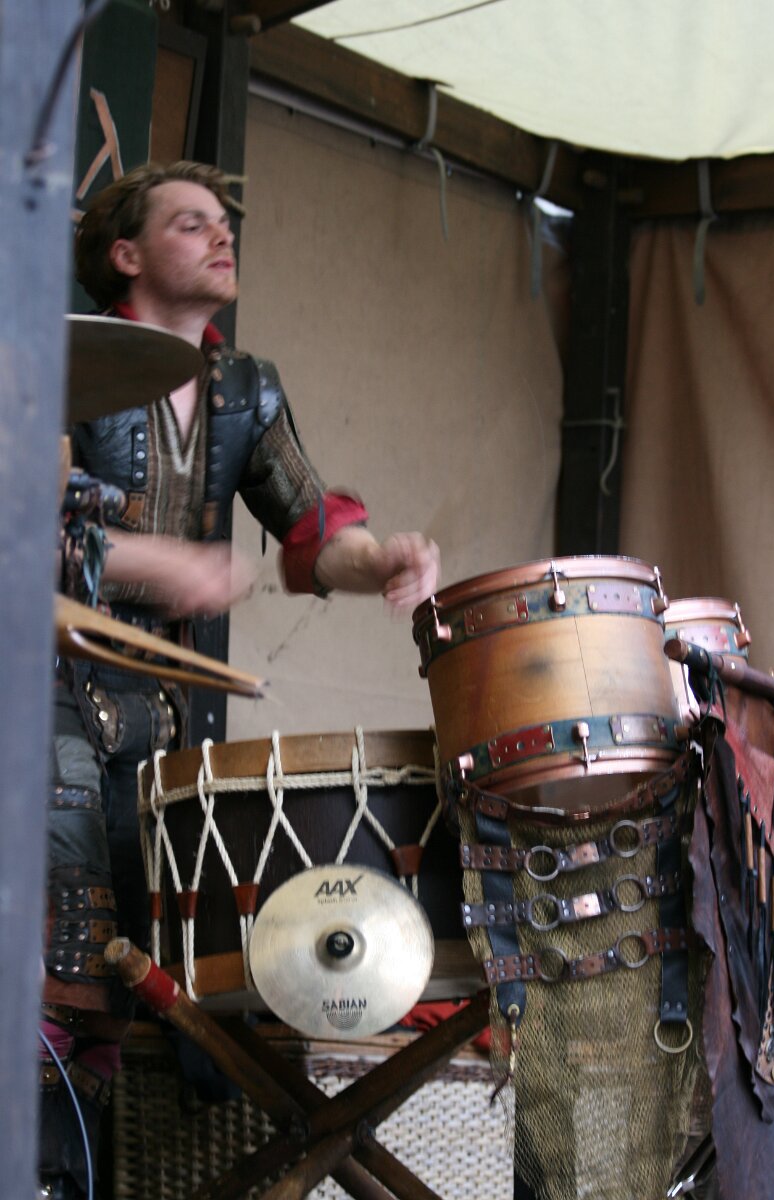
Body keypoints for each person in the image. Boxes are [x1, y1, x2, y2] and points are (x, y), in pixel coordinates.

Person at [41, 160, 440, 1198]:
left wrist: (381, 562)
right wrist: (152, 563)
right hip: (45, 702)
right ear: (126, 255)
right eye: (191, 224)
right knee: (68, 972)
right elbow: (21, 521)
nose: (222, 238)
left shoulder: (243, 388)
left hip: (166, 719)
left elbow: (312, 530)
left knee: (152, 974)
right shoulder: (59, 365)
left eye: (225, 224)